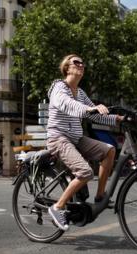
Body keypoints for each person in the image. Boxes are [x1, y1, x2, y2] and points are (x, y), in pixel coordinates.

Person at [46, 54, 125, 231]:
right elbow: (67, 105)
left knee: (110, 150)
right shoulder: (59, 87)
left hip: (76, 138)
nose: (81, 65)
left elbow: (93, 115)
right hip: (59, 138)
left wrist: (118, 118)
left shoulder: (80, 93)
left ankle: (100, 196)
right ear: (67, 67)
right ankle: (57, 207)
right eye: (77, 62)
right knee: (85, 172)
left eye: (83, 63)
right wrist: (89, 108)